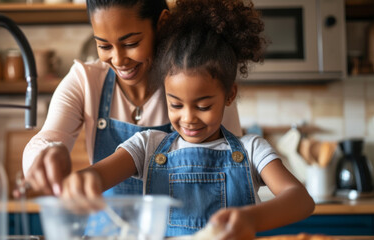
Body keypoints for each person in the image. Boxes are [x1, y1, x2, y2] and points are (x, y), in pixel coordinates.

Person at [60, 0, 315, 238]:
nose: (188, 118)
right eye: (175, 104)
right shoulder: (146, 146)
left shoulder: (252, 149)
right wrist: (85, 180)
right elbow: (98, 175)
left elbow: (301, 200)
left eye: (203, 105)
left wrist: (251, 219)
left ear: (229, 95)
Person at [21, 0, 242, 197]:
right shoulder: (85, 81)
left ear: (162, 23)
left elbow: (231, 168)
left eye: (130, 44)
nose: (118, 60)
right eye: (104, 46)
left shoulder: (198, 85)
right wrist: (49, 152)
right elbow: (46, 139)